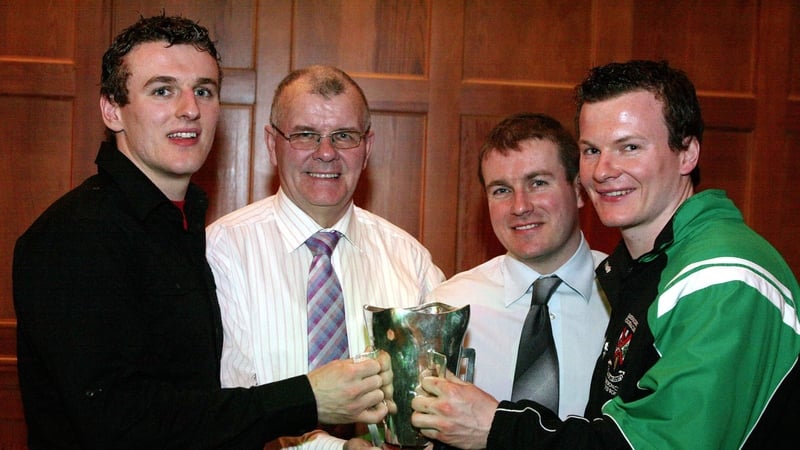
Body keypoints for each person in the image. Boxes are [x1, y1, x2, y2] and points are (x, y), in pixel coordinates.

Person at [13, 15, 390, 450]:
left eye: (204, 91)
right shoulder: (74, 236)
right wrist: (306, 398)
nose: (190, 108)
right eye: (163, 90)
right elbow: (115, 421)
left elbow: (198, 405)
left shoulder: (184, 229)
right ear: (112, 110)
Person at [410, 59, 800, 449]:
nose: (603, 170)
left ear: (687, 153)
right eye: (592, 150)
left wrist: (496, 427)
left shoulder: (721, 275)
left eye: (629, 147)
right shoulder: (644, 271)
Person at [205, 65, 445, 449]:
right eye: (305, 135)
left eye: (344, 136)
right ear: (271, 143)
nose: (326, 153)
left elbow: (438, 399)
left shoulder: (410, 259)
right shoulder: (222, 251)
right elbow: (228, 408)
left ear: (367, 147)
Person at [424, 113, 609, 420]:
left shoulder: (628, 297)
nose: (520, 206)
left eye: (538, 183)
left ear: (578, 190)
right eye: (501, 190)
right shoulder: (451, 307)